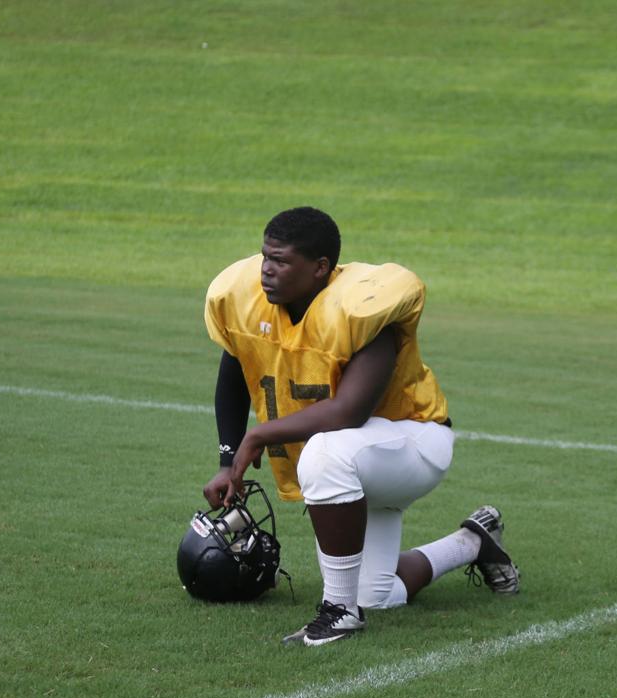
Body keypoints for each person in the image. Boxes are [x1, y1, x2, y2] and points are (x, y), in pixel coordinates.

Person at [201, 206, 519, 646]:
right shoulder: (245, 301)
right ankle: (472, 543)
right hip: (356, 459)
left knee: (324, 452)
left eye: (281, 261)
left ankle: (339, 612)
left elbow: (347, 413)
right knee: (380, 592)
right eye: (264, 257)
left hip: (413, 441)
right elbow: (234, 372)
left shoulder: (363, 309)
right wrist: (226, 458)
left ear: (320, 269)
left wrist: (257, 436)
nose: (266, 272)